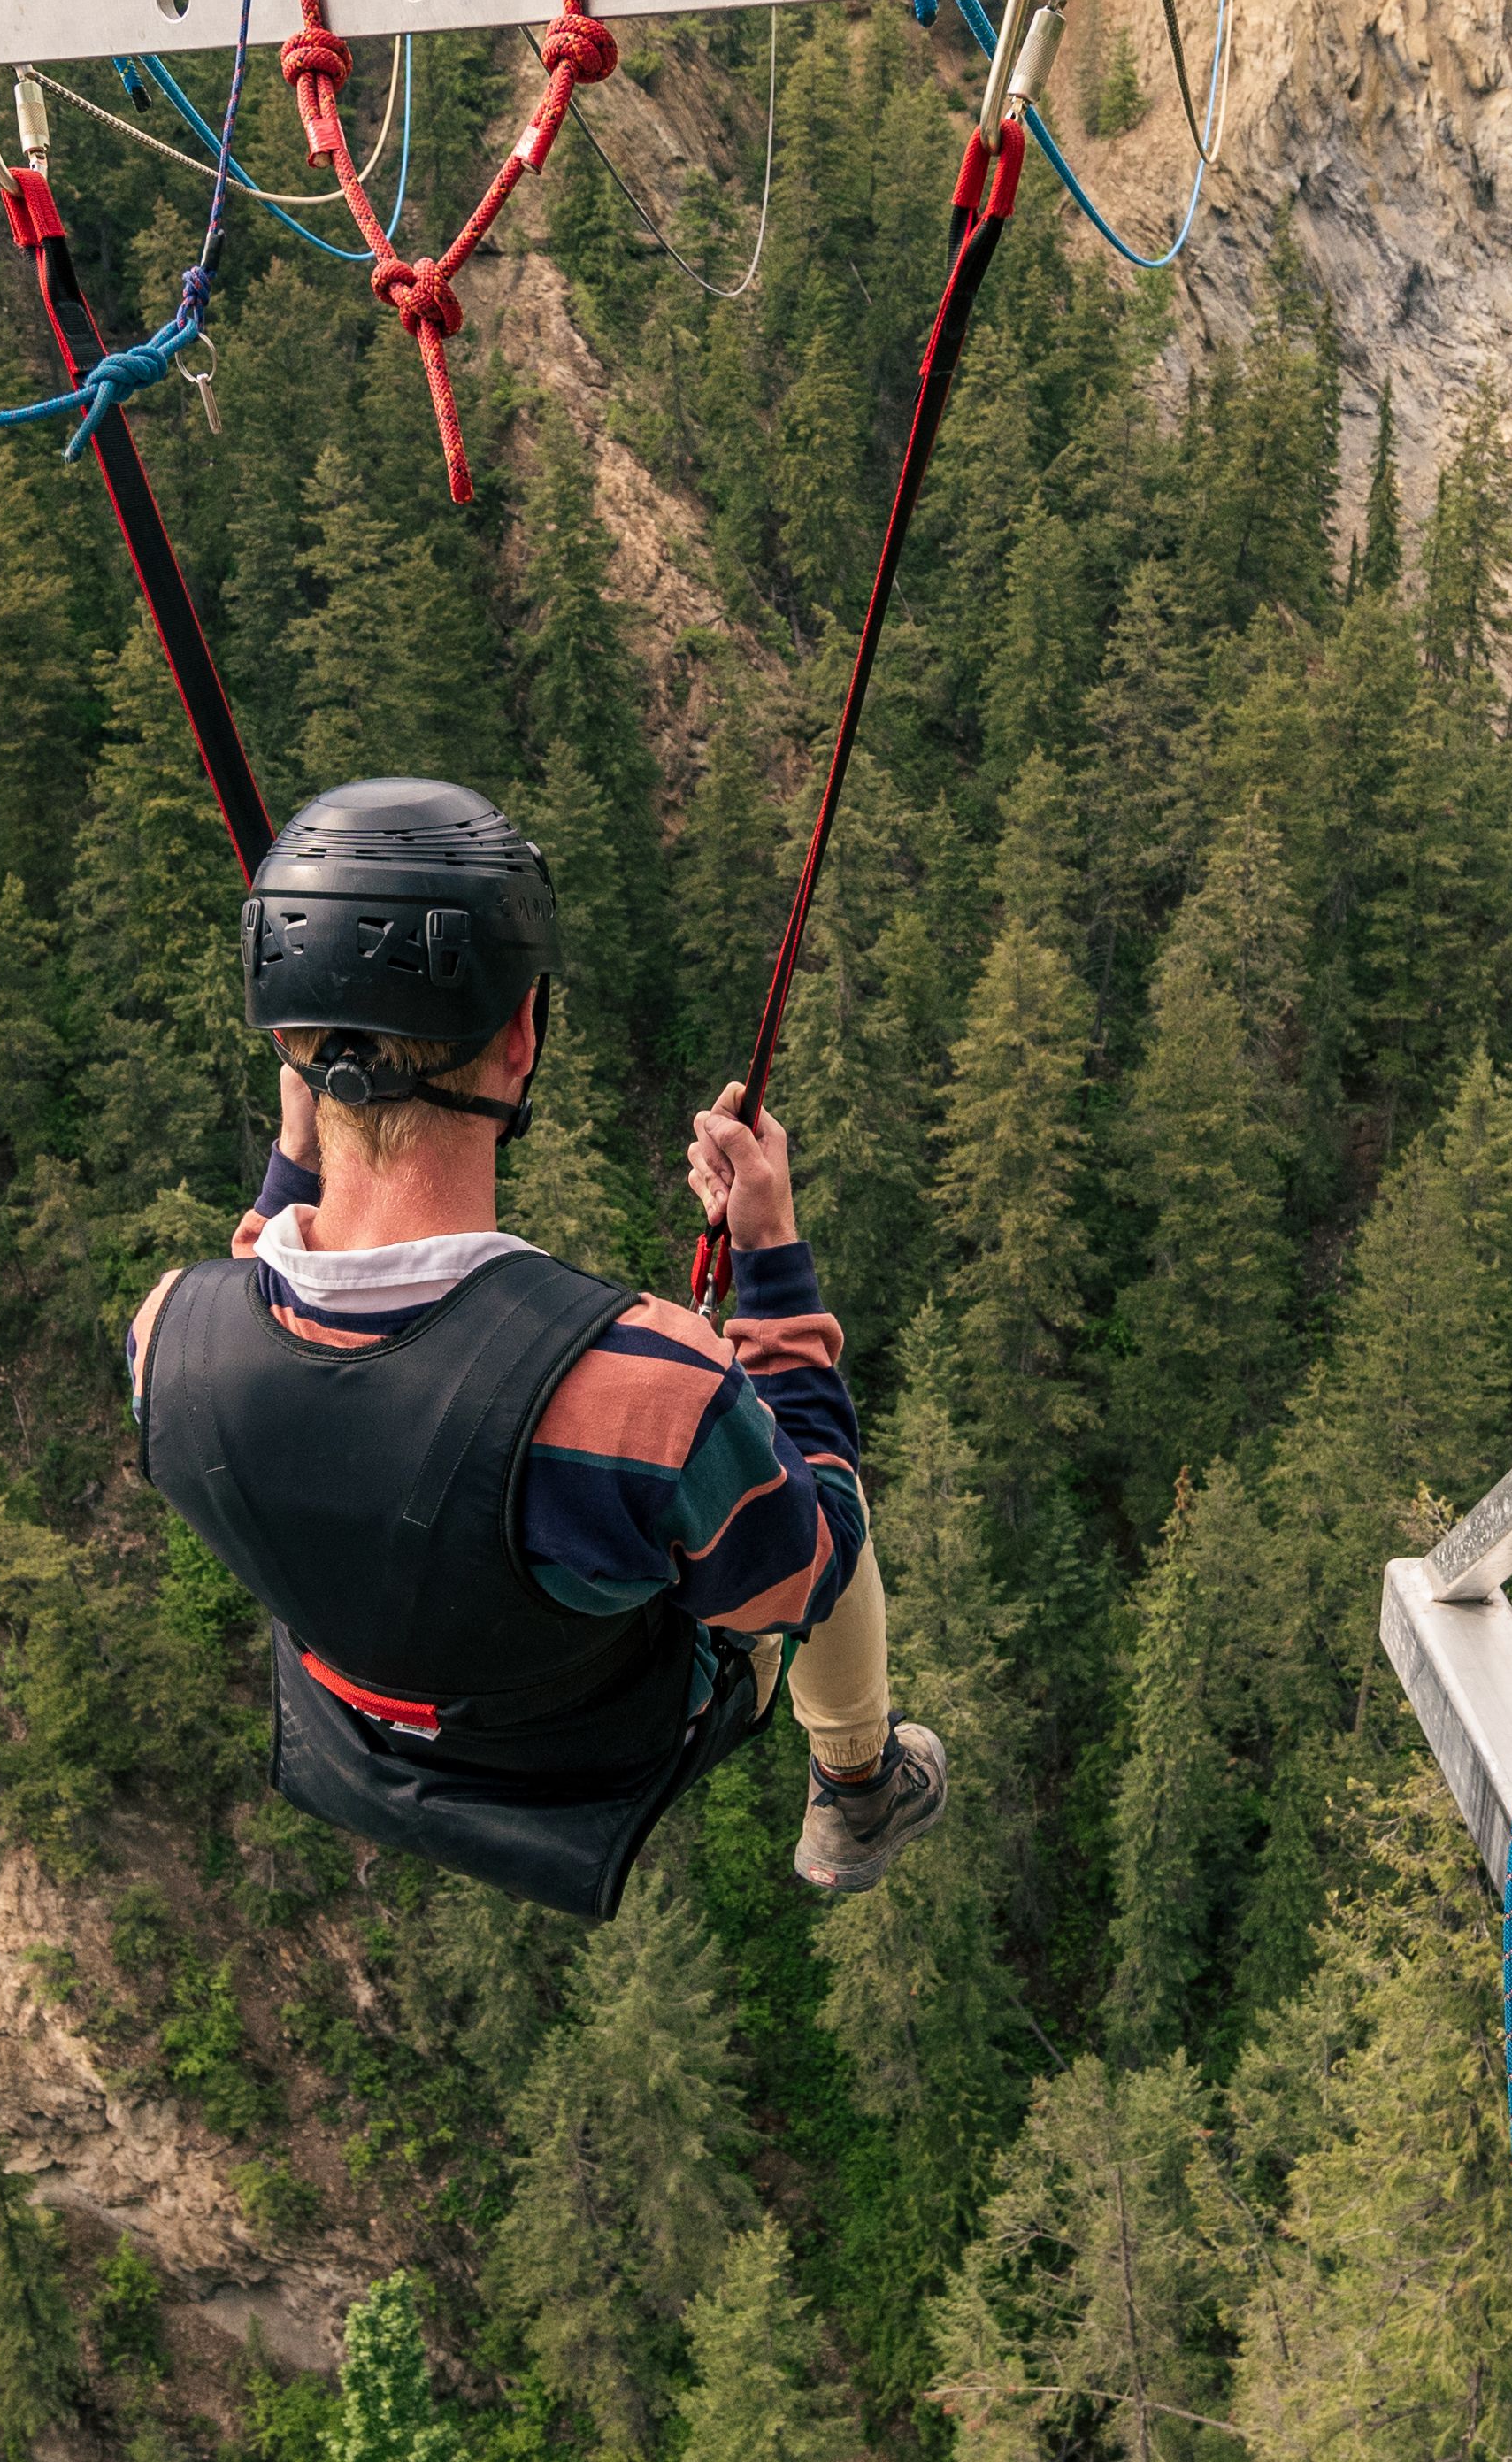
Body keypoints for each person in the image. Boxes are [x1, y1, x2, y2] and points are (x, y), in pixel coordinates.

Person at [132, 777, 943, 1920]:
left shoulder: (168, 1340)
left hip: (362, 1710)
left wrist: (295, 1149)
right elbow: (801, 1570)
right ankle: (855, 1778)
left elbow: (270, 1271)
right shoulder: (650, 1396)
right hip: (594, 1734)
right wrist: (768, 1257)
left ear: (288, 1050)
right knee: (810, 1494)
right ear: (520, 1038)